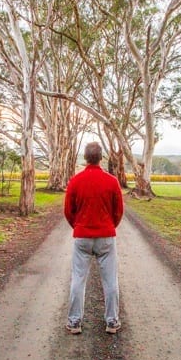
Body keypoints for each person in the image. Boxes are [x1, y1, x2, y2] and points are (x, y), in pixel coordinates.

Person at [64, 142, 125, 335]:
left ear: (85, 157)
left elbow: (68, 211)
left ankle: (74, 322)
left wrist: (79, 226)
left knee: (78, 279)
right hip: (106, 237)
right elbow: (119, 211)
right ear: (101, 158)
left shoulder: (75, 181)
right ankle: (112, 321)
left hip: (82, 237)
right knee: (110, 281)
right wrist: (109, 226)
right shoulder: (112, 181)